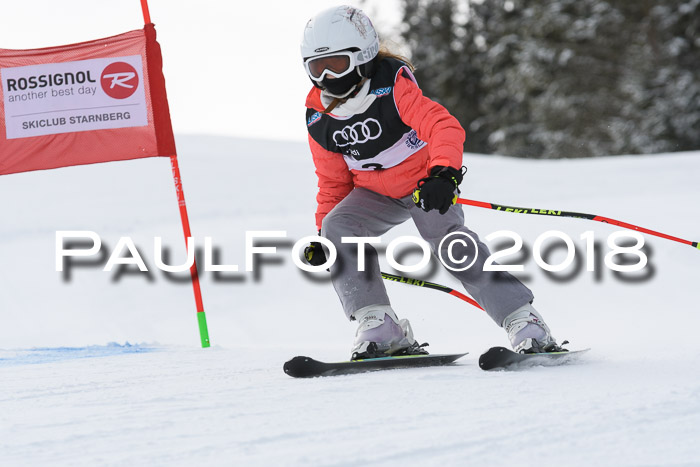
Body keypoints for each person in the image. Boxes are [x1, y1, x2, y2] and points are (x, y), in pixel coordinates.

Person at [300, 5, 561, 360]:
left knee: (451, 244)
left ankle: (523, 320)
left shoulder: (391, 87)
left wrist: (443, 175)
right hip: (375, 194)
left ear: (362, 56)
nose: (328, 77)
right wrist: (324, 238)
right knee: (338, 225)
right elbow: (332, 183)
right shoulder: (319, 117)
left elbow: (443, 127)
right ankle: (379, 324)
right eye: (317, 67)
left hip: (426, 185)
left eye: (338, 65)